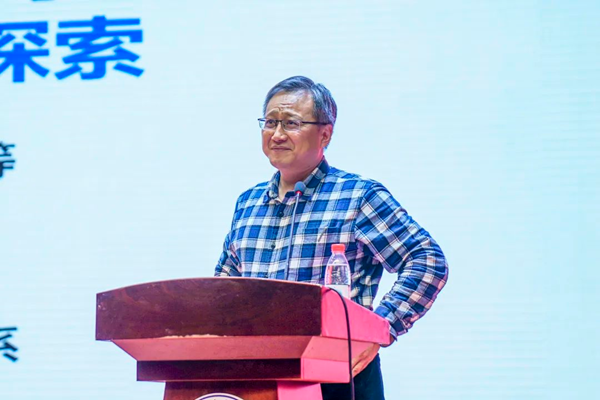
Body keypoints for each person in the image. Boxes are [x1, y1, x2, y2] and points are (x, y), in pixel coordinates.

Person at [215, 76, 448, 400]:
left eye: (291, 123)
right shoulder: (248, 202)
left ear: (325, 133)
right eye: (270, 122)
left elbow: (427, 260)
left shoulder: (358, 196)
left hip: (338, 375)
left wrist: (379, 329)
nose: (277, 134)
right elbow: (224, 285)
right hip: (259, 378)